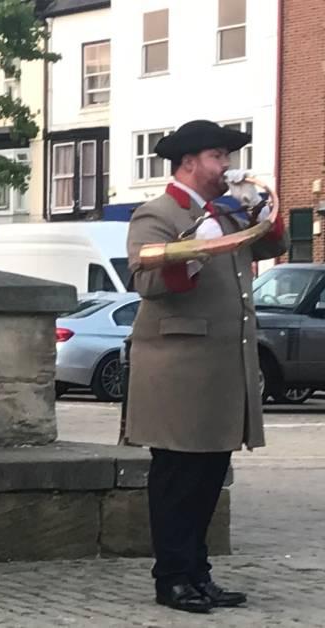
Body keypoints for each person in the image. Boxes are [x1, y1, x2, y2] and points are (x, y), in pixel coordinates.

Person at [125, 120, 288, 614]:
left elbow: (272, 244)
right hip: (177, 367)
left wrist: (262, 208)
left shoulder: (227, 213)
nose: (225, 166)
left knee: (208, 478)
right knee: (177, 479)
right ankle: (171, 577)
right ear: (189, 162)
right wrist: (200, 241)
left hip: (219, 367)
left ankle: (197, 572)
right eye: (217, 156)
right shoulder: (157, 213)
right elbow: (149, 283)